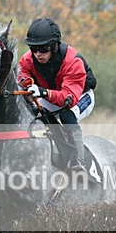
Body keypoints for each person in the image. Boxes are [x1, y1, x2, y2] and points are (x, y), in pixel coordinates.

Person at [18, 17, 96, 173]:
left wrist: (44, 92)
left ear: (54, 46)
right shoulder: (27, 59)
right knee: (35, 113)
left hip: (80, 97)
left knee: (67, 115)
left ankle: (78, 160)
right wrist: (26, 86)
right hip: (50, 94)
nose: (38, 54)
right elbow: (21, 75)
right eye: (34, 49)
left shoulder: (73, 61)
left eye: (43, 49)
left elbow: (69, 99)